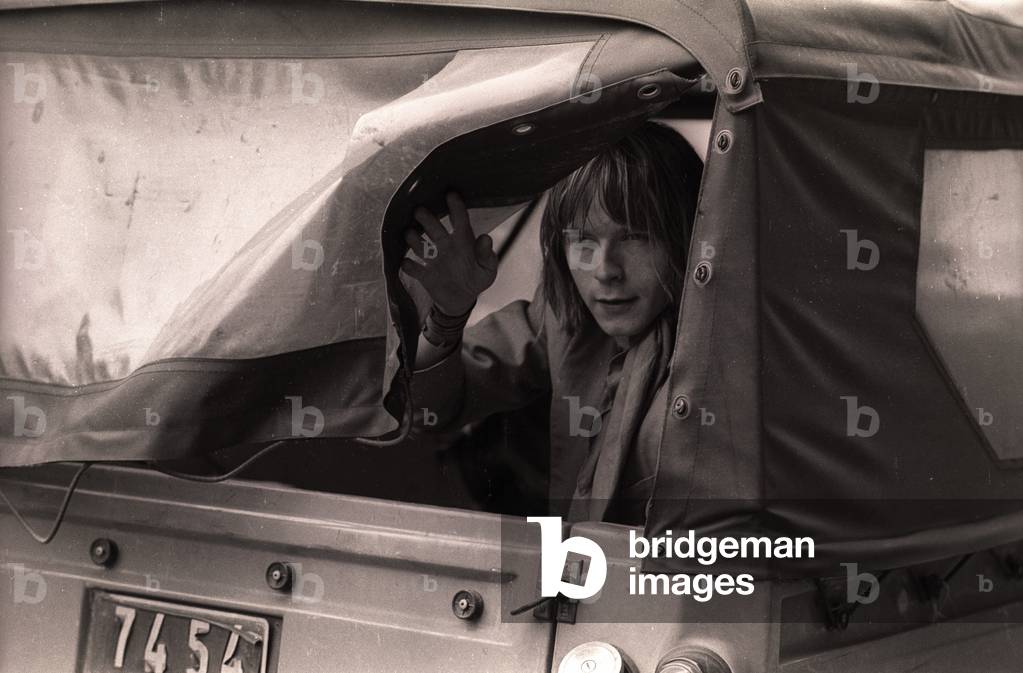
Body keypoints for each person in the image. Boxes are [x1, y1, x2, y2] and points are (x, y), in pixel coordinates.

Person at [400, 121, 703, 524]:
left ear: (685, 239)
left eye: (636, 237)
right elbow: (429, 410)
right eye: (583, 241)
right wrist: (448, 313)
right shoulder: (564, 319)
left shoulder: (723, 340)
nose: (605, 270)